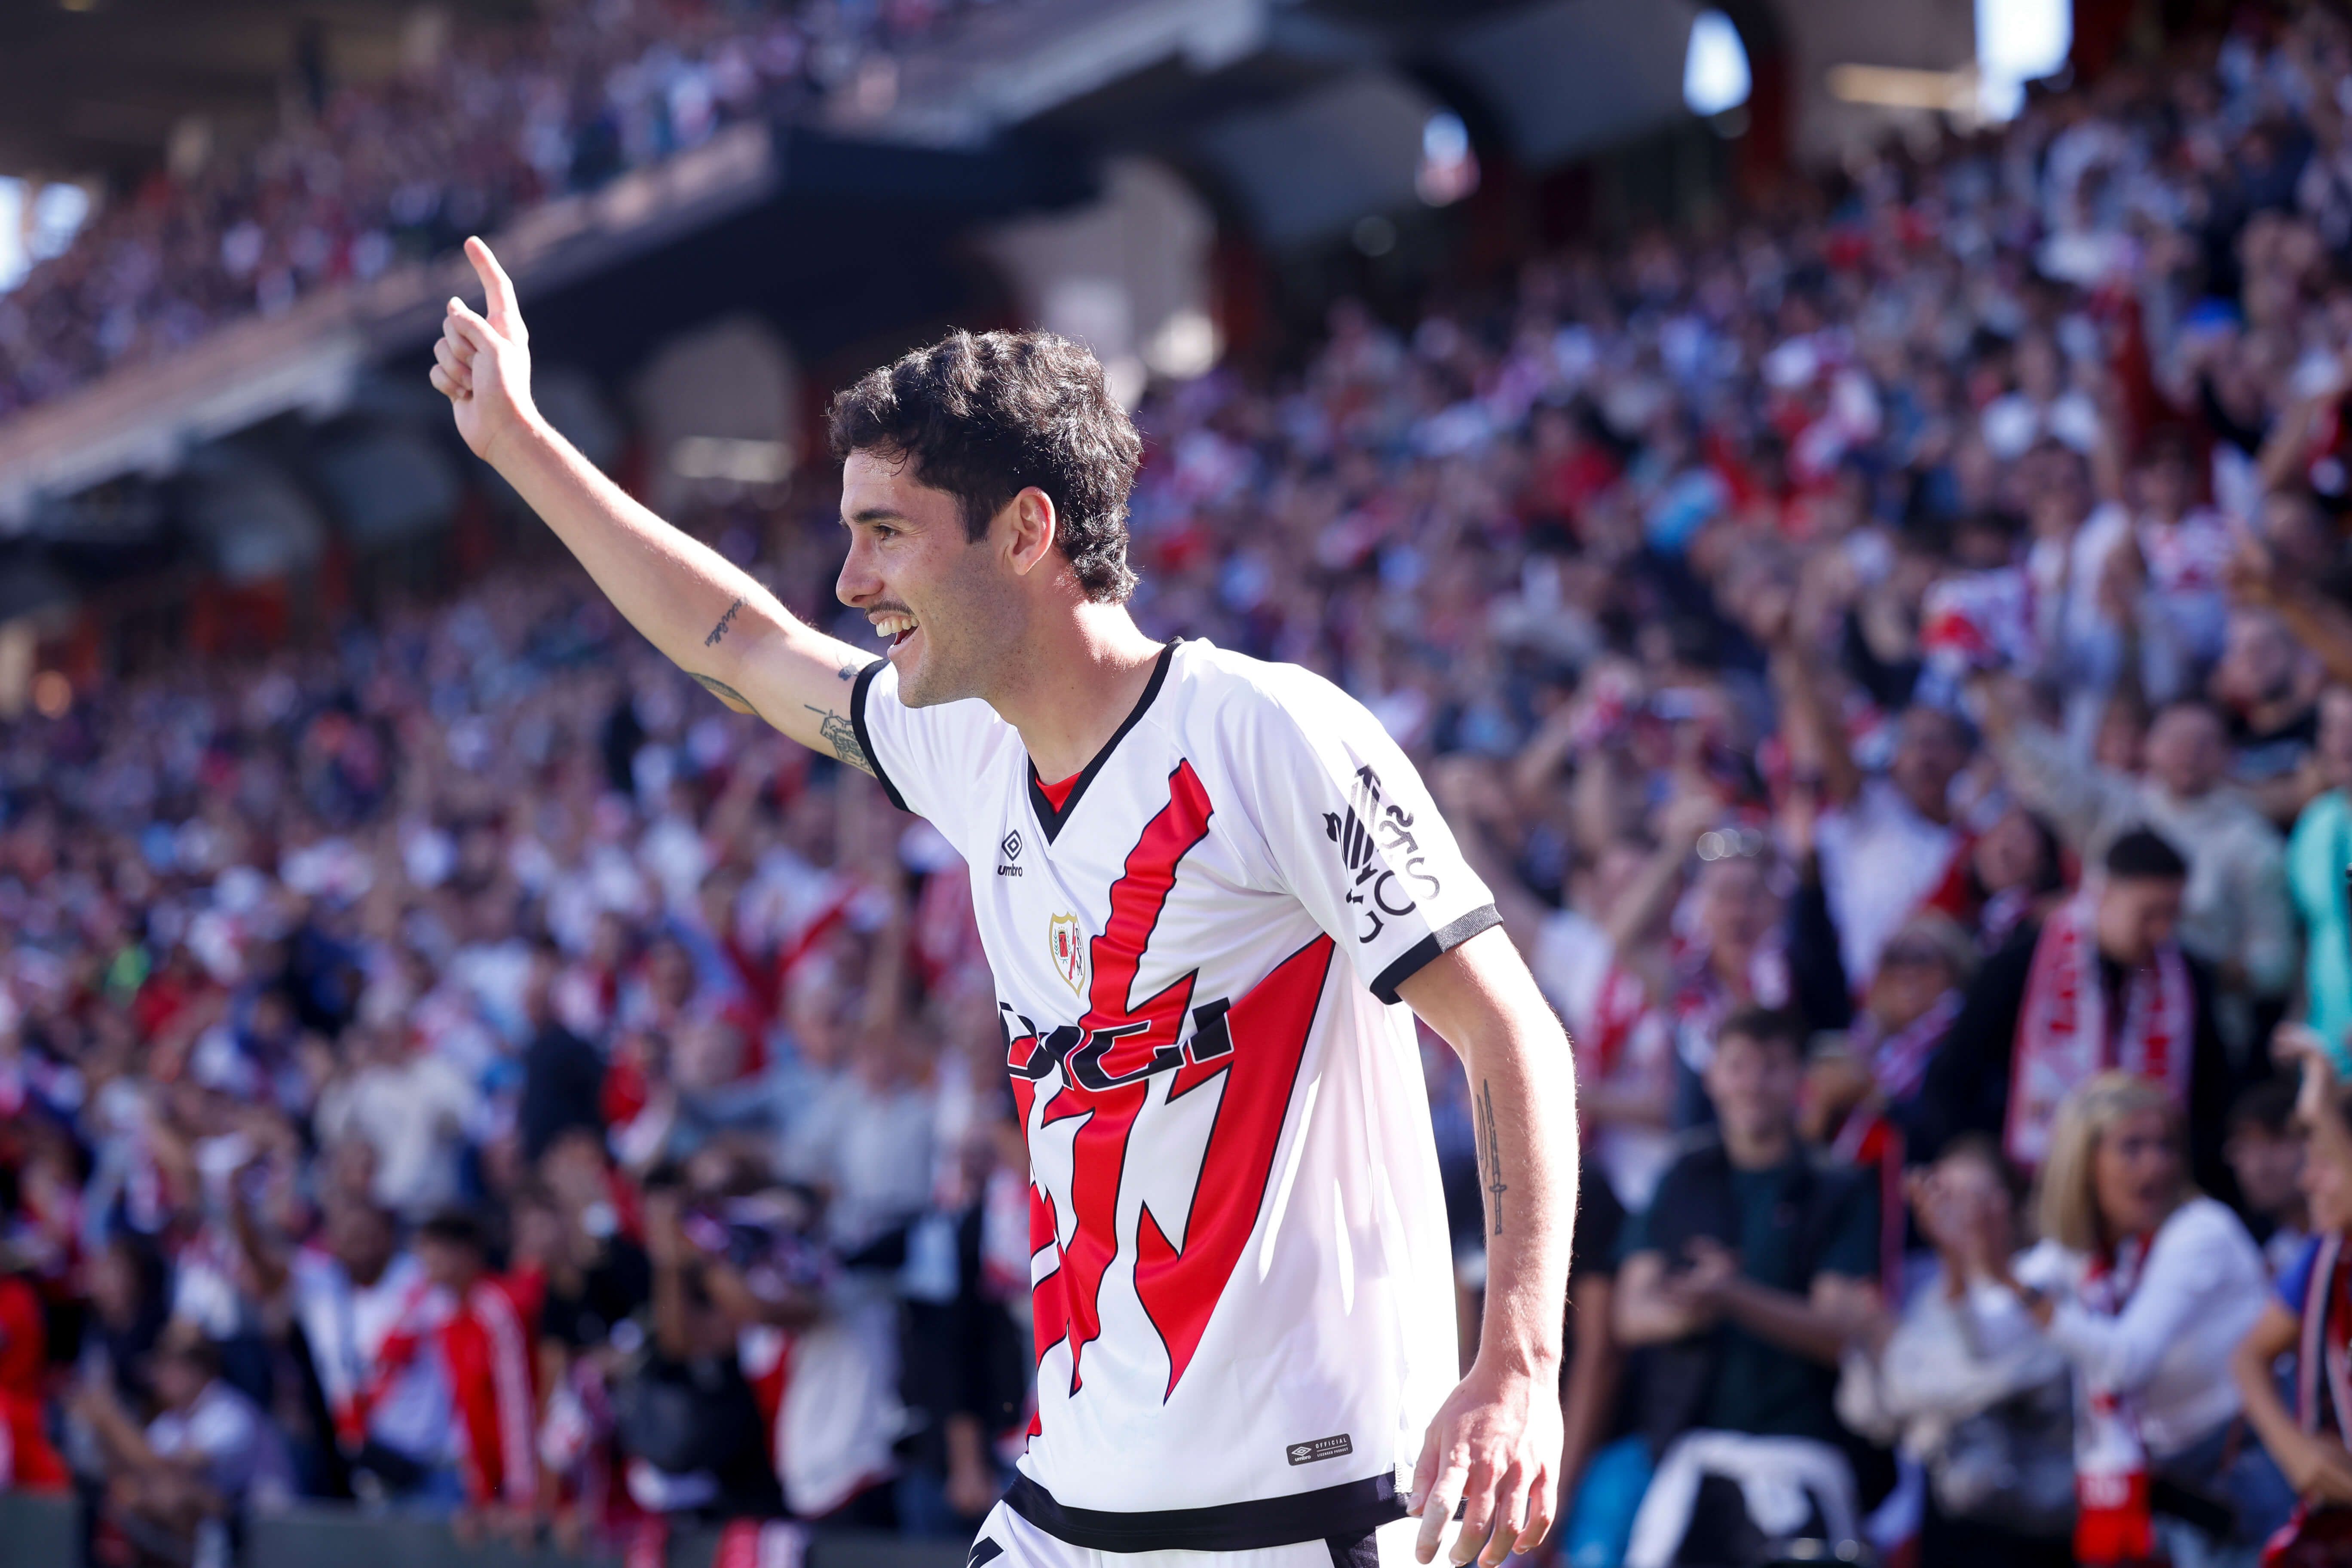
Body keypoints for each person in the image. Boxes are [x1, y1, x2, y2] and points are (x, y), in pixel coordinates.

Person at [429, 241, 1580, 1568]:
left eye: (886, 534)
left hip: (1295, 1519)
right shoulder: (967, 747)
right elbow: (739, 643)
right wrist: (517, 443)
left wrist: (1515, 1364)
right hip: (1061, 1508)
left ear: (1028, 531)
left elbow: (1513, 1036)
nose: (852, 583)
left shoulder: (1268, 736)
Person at [1970, 1073, 2291, 1568]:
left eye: (2165, 1146)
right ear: (2084, 1163)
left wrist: (2013, 1285)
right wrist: (1961, 1261)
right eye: (2133, 1148)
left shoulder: (2201, 1230)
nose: (2156, 1164)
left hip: (2252, 1468)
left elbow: (2125, 1360)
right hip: (2187, 1487)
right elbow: (1990, 1330)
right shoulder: (2096, 1252)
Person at [1611, 1007, 1882, 1567]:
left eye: (1772, 1066)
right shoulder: (1684, 1177)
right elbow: (1632, 1314)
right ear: (1712, 1078)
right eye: (1738, 1066)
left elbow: (1837, 1333)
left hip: (1801, 1464)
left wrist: (1732, 1295)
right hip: (1692, 1467)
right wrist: (1699, 1306)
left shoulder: (1836, 1189)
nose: (1753, 1083)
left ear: (1799, 1080)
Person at [1911, 827, 2241, 1198]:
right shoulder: (2022, 963)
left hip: (2150, 1190)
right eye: (2149, 914)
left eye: (2172, 915)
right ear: (2105, 895)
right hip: (2033, 1183)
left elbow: (2211, 1096)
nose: (2162, 932)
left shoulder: (2188, 978)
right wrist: (1980, 1160)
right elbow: (1955, 1076)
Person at [1834, 1137, 2073, 1568]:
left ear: (2010, 1204)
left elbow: (1982, 1375)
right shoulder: (1918, 1288)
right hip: (1945, 1523)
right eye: (1942, 1195)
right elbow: (1878, 1407)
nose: (1954, 1212)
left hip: (2035, 1520)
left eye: (1971, 1196)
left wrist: (1903, 1354)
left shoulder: (2048, 1278)